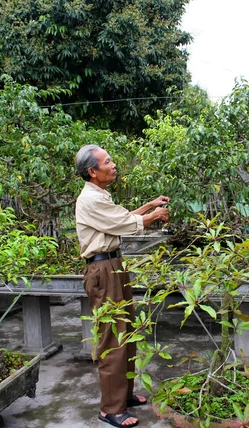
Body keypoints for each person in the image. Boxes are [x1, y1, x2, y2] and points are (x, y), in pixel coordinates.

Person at [74, 144, 170, 428]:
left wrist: (150, 206)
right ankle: (109, 409)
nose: (113, 165)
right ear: (93, 171)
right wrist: (154, 216)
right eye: (107, 161)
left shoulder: (99, 195)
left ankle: (123, 396)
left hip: (113, 265)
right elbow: (126, 224)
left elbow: (121, 219)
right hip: (103, 269)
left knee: (126, 331)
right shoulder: (90, 199)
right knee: (112, 337)